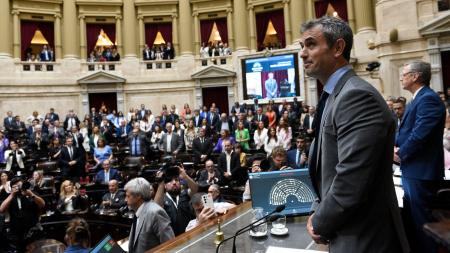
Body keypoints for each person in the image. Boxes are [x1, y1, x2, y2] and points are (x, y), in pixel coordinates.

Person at [301, 17, 408, 252]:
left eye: (310, 45)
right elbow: (326, 168)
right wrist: (317, 210)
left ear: (338, 48)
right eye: (302, 47)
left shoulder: (357, 96)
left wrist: (319, 221)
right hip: (347, 230)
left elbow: (351, 180)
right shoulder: (333, 95)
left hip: (365, 237)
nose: (302, 53)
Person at [395, 61, 446, 253]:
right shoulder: (419, 98)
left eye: (405, 73)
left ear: (415, 76)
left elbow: (420, 135)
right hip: (415, 169)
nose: (401, 77)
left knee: (422, 224)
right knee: (415, 222)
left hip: (421, 172)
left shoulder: (428, 99)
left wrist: (400, 153)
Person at [125, 177, 174, 253]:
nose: (125, 199)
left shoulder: (155, 212)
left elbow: (170, 245)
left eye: (128, 196)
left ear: (138, 196)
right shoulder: (138, 211)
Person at [0, 177, 45, 252]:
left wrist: (31, 194)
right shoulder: (10, 197)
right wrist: (12, 195)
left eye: (20, 185)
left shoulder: (31, 193)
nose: (19, 188)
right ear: (12, 188)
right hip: (17, 233)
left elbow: (42, 204)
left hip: (32, 230)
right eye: (16, 186)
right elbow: (1, 209)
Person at [154, 164, 198, 236]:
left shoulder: (185, 194)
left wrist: (185, 176)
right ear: (165, 185)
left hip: (189, 234)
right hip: (171, 237)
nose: (174, 183)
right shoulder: (162, 198)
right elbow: (156, 206)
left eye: (176, 180)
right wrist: (161, 181)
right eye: (170, 181)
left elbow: (195, 189)